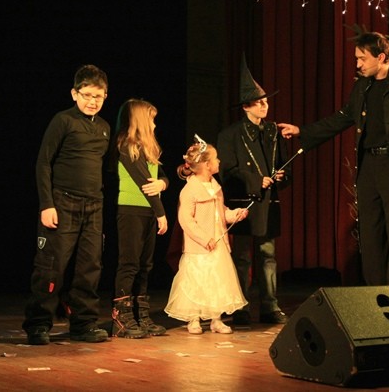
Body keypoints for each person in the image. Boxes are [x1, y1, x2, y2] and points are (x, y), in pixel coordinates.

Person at [278, 32, 389, 286]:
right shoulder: (363, 87)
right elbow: (343, 117)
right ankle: (375, 296)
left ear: (380, 57)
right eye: (356, 59)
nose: (358, 64)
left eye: (362, 58)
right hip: (369, 167)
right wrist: (303, 131)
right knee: (370, 234)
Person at [23, 64, 111, 345]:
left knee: (90, 267)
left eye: (98, 96)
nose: (92, 101)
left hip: (94, 206)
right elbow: (43, 163)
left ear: (105, 96)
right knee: (51, 266)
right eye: (86, 95)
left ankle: (83, 324)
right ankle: (39, 324)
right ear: (74, 94)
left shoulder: (105, 128)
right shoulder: (63, 121)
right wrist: (47, 204)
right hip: (62, 203)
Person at [216, 56, 291, 326]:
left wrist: (281, 176)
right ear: (246, 106)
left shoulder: (273, 132)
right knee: (242, 257)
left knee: (268, 256)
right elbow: (227, 172)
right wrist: (256, 180)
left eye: (266, 101)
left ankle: (270, 305)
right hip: (245, 204)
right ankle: (240, 306)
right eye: (259, 102)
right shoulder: (230, 135)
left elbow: (285, 166)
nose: (265, 105)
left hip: (268, 203)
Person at [165, 136, 249, 334]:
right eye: (215, 158)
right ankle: (193, 318)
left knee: (216, 282)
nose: (219, 161)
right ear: (206, 165)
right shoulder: (190, 190)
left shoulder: (215, 187)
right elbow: (186, 220)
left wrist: (234, 214)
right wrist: (204, 239)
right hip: (198, 248)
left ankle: (216, 319)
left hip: (218, 245)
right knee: (197, 281)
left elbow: (221, 212)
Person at [111, 98, 169, 339]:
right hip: (131, 211)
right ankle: (121, 318)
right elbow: (145, 184)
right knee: (130, 264)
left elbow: (162, 177)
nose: (154, 125)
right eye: (151, 120)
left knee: (145, 265)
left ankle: (140, 315)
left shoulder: (148, 150)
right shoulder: (127, 147)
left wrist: (163, 184)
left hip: (147, 212)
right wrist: (161, 213)